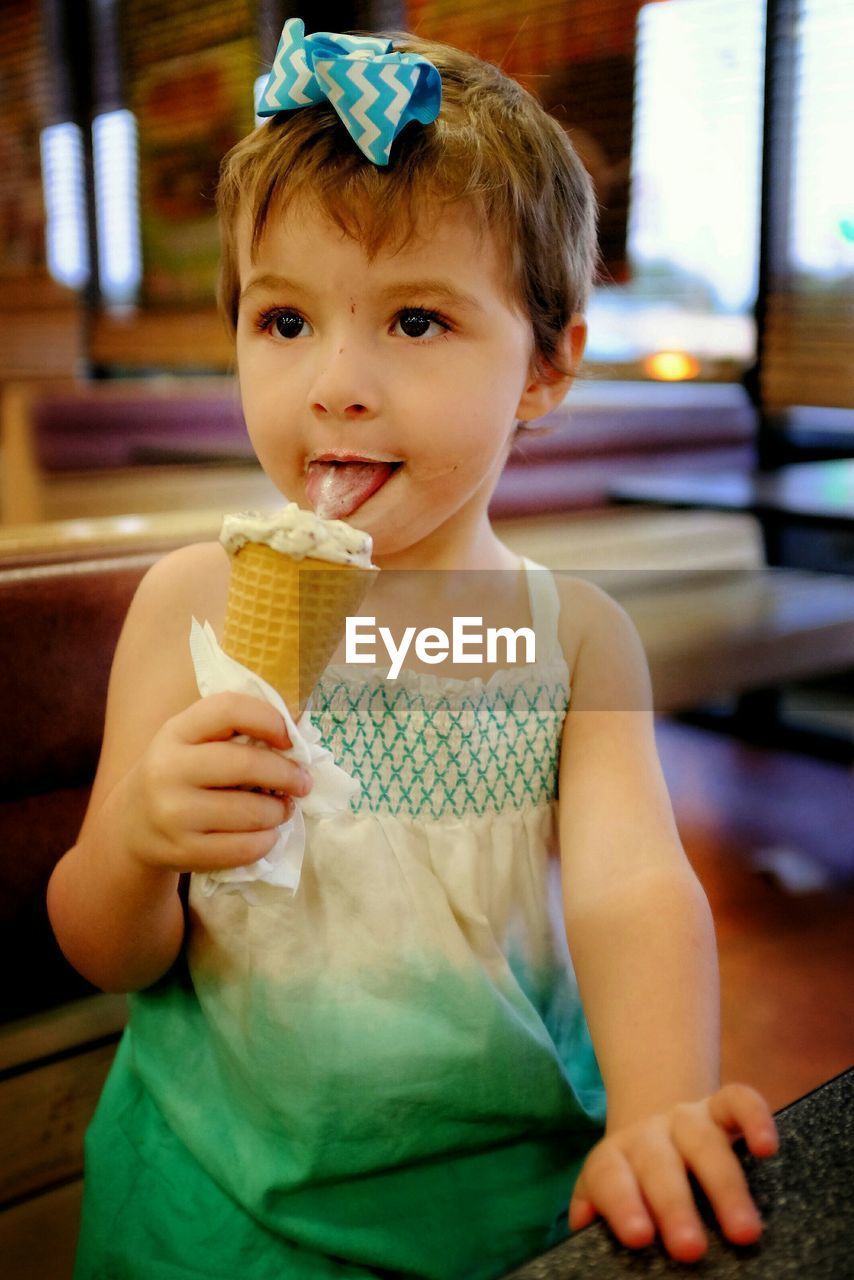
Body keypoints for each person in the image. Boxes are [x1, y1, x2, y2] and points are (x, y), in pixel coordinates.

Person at [48, 19, 778, 1280]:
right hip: (214, 1214)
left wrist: (658, 1102)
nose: (334, 383)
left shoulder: (576, 644)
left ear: (546, 366)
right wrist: (134, 846)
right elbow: (109, 944)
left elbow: (631, 894)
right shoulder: (187, 608)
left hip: (507, 1213)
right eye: (282, 322)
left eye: (416, 321)